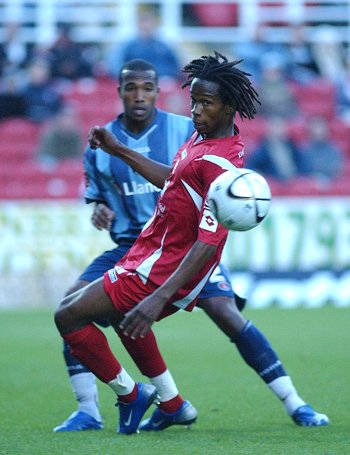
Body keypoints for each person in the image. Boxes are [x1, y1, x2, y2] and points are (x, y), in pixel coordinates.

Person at [54, 56, 329, 434]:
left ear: (229, 106)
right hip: (150, 251)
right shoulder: (202, 139)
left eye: (205, 104)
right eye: (194, 102)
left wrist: (158, 297)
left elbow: (209, 240)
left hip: (162, 264)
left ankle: (131, 395)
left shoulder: (220, 166)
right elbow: (174, 181)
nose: (196, 111)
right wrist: (119, 150)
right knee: (123, 320)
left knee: (68, 316)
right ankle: (170, 404)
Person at [105, 7, 181, 82]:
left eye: (150, 22)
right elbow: (115, 65)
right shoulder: (128, 46)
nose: (147, 26)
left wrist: (163, 75)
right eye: (144, 22)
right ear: (139, 24)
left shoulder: (163, 47)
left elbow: (176, 66)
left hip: (161, 83)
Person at [246, 116, 308, 181]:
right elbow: (252, 167)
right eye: (276, 126)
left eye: (281, 126)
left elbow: (302, 164)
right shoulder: (262, 148)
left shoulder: (292, 145)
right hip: (273, 182)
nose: (279, 129)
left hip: (293, 182)